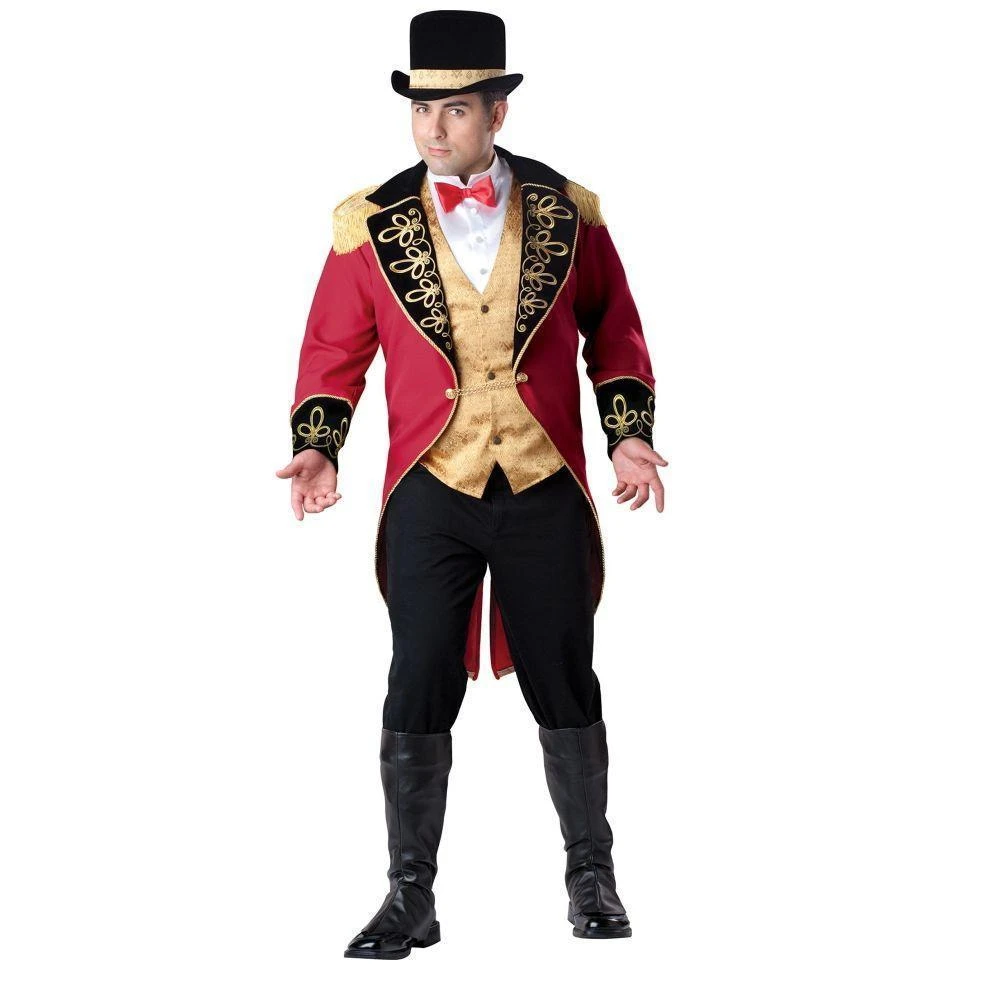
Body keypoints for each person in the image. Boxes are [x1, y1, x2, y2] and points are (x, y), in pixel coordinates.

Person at [275, 10, 668, 959]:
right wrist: (321, 446)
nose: (433, 128)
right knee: (417, 679)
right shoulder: (371, 224)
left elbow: (614, 328)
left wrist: (627, 435)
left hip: (542, 482)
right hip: (431, 486)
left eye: (454, 110)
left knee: (564, 677)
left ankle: (592, 877)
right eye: (422, 110)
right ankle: (409, 895)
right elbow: (334, 348)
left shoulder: (568, 212)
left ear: (497, 111)